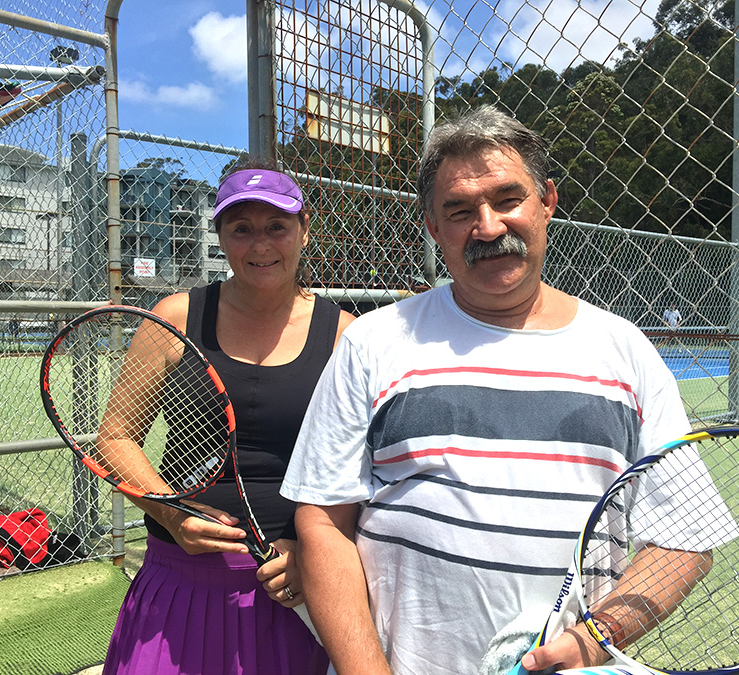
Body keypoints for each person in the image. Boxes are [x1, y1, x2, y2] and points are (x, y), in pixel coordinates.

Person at [280, 106, 699, 675]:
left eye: (507, 199)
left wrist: (595, 638)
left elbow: (683, 536)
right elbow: (324, 522)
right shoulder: (373, 342)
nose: (488, 226)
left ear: (547, 202)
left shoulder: (626, 352)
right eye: (459, 210)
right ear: (432, 226)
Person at [102, 162, 354, 675]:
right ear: (220, 236)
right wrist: (173, 515)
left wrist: (312, 551)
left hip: (296, 587)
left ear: (304, 230)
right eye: (241, 229)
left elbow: (355, 468)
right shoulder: (174, 316)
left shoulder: (344, 334)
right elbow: (116, 438)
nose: (260, 245)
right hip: (178, 578)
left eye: (276, 227)